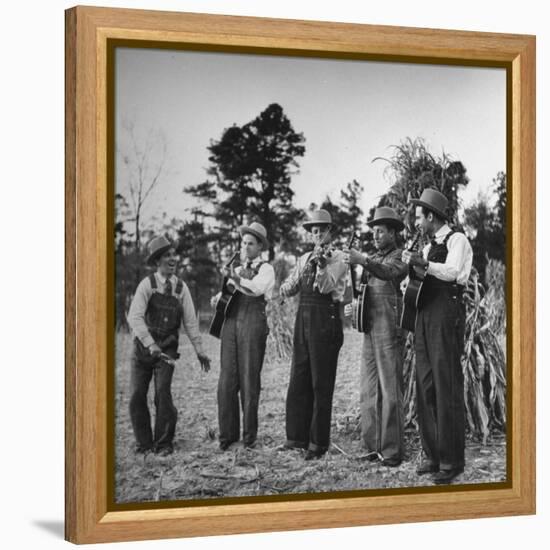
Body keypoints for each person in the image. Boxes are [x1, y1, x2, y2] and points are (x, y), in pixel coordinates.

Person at [401, 188, 473, 484]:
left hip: (445, 315)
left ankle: (451, 460)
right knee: (425, 385)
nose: (417, 222)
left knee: (447, 385)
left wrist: (424, 265)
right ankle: (432, 455)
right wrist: (410, 276)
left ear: (431, 216)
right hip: (424, 317)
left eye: (419, 217)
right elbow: (416, 281)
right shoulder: (428, 247)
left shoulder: (458, 240)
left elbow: (454, 273)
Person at [127, 235, 211, 456]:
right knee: (136, 394)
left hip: (168, 350)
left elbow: (191, 323)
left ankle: (164, 443)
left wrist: (200, 351)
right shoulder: (147, 285)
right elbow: (134, 318)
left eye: (174, 255)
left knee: (162, 393)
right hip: (142, 350)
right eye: (167, 256)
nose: (173, 259)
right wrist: (150, 343)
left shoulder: (181, 289)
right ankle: (144, 443)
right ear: (157, 261)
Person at [279, 209, 347, 460]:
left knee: (321, 382)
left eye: (322, 229)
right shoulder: (304, 257)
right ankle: (296, 436)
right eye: (314, 230)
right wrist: (284, 289)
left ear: (330, 231)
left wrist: (320, 266)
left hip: (325, 320)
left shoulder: (338, 257)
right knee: (299, 377)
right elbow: (291, 286)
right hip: (303, 321)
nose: (317, 234)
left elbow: (327, 286)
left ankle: (318, 443)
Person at [343, 206, 408, 467]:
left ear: (393, 233)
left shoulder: (401, 255)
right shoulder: (371, 259)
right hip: (370, 326)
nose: (376, 236)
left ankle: (392, 451)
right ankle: (372, 446)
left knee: (390, 388)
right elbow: (365, 292)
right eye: (374, 232)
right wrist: (354, 307)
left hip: (390, 327)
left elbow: (391, 273)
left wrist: (363, 261)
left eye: (381, 231)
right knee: (368, 388)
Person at [214, 222, 275, 451]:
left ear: (260, 246)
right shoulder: (237, 269)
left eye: (251, 243)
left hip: (253, 323)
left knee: (250, 381)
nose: (246, 247)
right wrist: (217, 298)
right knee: (226, 381)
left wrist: (235, 279)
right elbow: (228, 294)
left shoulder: (267, 269)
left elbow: (255, 290)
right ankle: (227, 437)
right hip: (231, 325)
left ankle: (249, 439)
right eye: (243, 243)